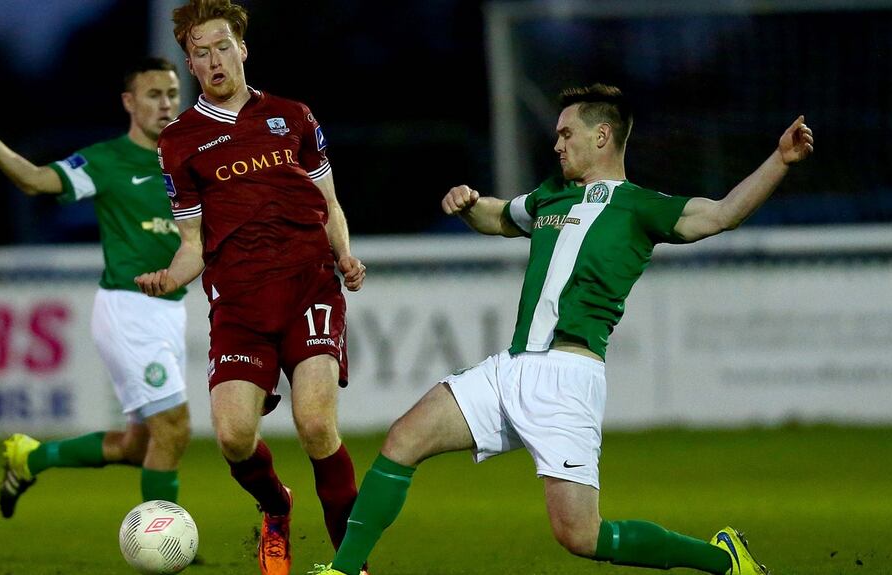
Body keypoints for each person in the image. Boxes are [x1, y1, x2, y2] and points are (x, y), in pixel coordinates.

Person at [311, 84, 814, 575]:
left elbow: (722, 213)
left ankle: (724, 560)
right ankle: (344, 570)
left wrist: (779, 161)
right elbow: (498, 217)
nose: (556, 144)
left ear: (601, 136)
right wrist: (469, 205)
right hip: (510, 367)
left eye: (566, 133)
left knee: (581, 536)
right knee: (403, 439)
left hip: (567, 380)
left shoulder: (640, 206)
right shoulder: (553, 196)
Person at [134, 2, 367, 575]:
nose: (213, 60)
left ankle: (352, 563)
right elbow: (192, 243)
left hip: (310, 287)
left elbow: (329, 204)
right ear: (190, 63)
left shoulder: (294, 116)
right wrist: (169, 278)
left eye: (221, 46)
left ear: (243, 48)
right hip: (237, 304)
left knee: (316, 424)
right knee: (234, 437)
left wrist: (344, 254)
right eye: (200, 52)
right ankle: (276, 507)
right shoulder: (180, 141)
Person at [0, 57, 193, 518]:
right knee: (174, 428)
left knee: (140, 446)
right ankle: (162, 541)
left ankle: (31, 458)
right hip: (130, 309)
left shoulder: (188, 160)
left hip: (171, 310)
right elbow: (36, 181)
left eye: (172, 94)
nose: (166, 104)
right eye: (154, 95)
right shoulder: (106, 160)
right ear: (129, 102)